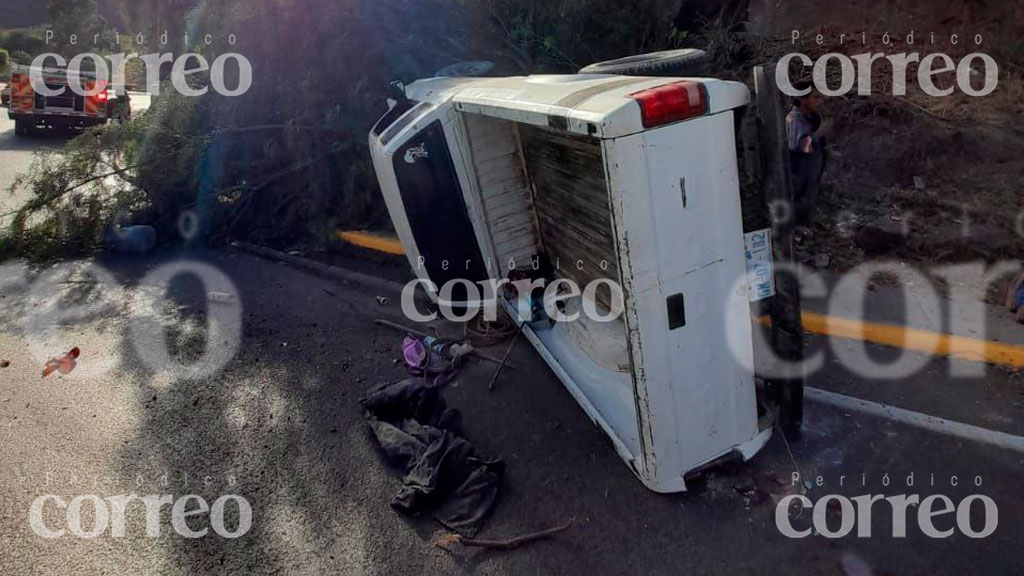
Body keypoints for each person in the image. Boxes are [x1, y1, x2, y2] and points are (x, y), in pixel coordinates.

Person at [786, 80, 828, 225]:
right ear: (802, 99)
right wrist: (820, 132)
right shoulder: (795, 119)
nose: (819, 101)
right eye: (815, 97)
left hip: (809, 173)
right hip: (799, 176)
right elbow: (801, 145)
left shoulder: (810, 116)